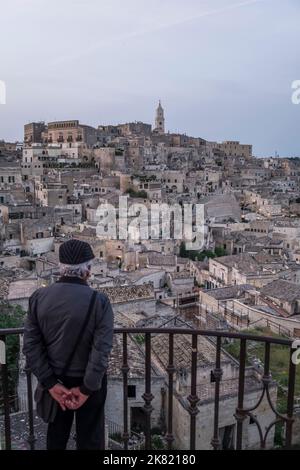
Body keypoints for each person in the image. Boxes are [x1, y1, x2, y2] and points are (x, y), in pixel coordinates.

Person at [23, 239, 114, 450]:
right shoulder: (99, 302)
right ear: (88, 270)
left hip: (55, 382)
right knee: (90, 440)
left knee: (56, 439)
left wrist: (50, 384)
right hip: (89, 385)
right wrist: (86, 389)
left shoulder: (38, 297)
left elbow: (31, 345)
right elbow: (101, 352)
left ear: (60, 267)